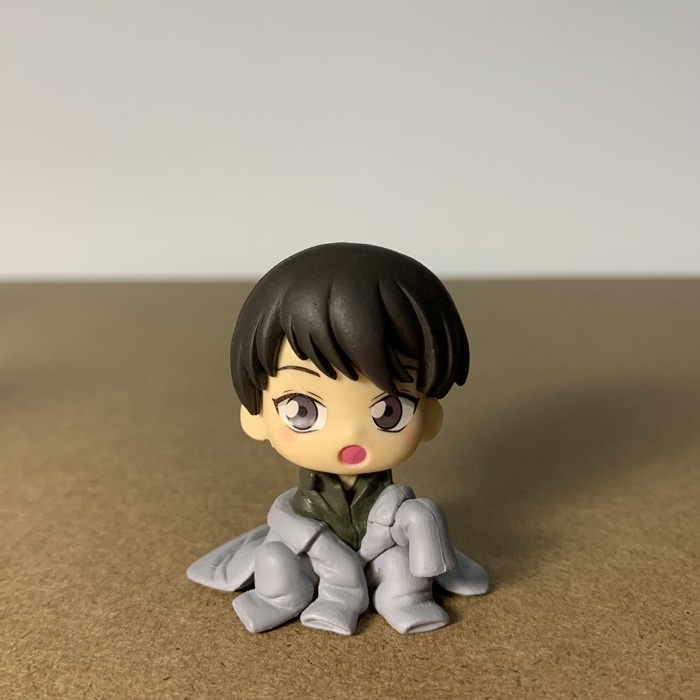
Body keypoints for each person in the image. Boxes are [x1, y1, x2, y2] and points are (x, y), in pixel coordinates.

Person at [187, 243, 488, 635]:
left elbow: (399, 529)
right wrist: (323, 550)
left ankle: (405, 601)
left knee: (401, 564)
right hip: (309, 563)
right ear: (256, 416)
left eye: (389, 411)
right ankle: (282, 599)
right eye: (302, 409)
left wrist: (420, 525)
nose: (349, 434)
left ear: (429, 418)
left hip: (376, 559)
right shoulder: (295, 506)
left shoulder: (393, 502)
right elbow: (286, 520)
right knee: (275, 560)